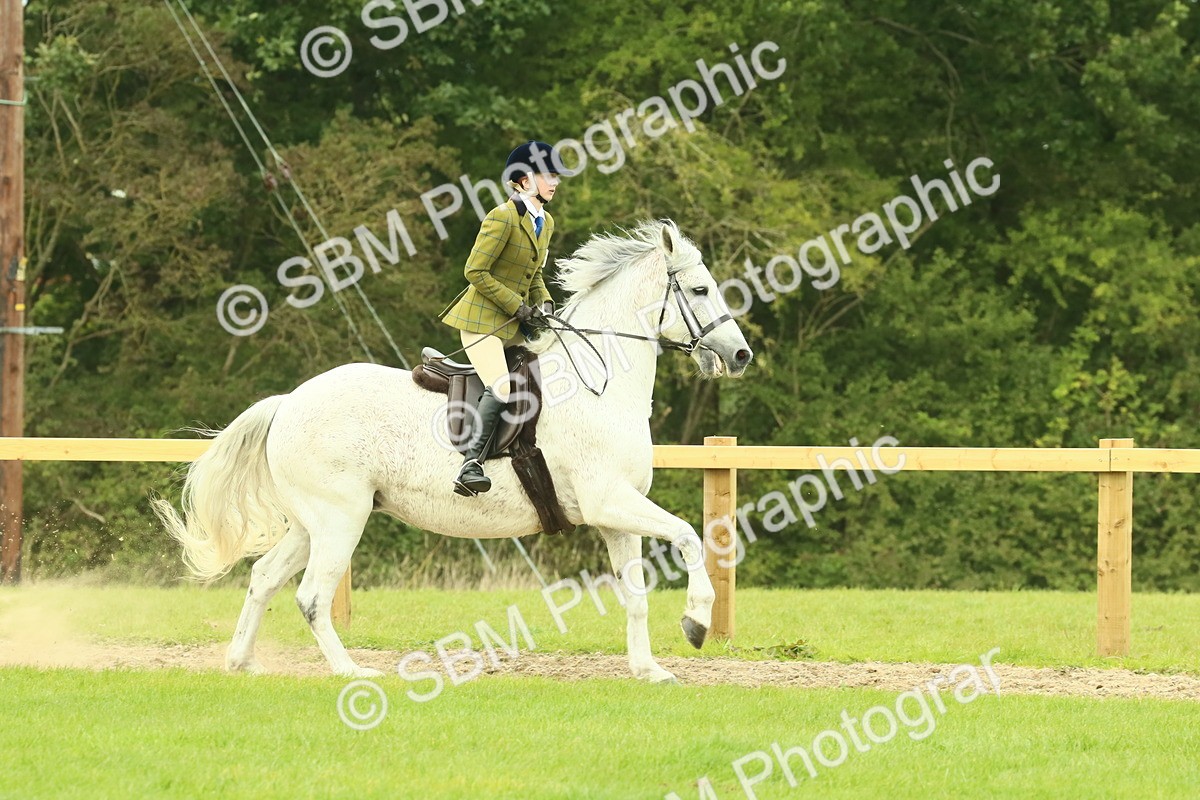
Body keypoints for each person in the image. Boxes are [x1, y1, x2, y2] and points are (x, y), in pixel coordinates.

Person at [438, 140, 574, 497]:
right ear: (523, 181)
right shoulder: (502, 217)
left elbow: (536, 276)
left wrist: (543, 304)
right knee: (501, 386)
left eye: (556, 176)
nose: (555, 183)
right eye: (548, 175)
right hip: (482, 323)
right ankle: (470, 465)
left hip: (516, 323)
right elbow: (475, 271)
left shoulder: (546, 221)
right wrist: (517, 306)